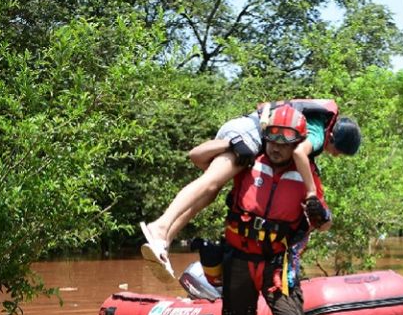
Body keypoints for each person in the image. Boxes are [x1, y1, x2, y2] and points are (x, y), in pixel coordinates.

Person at [139, 99, 360, 282]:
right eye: (338, 151)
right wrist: (311, 192)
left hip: (242, 129)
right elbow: (300, 153)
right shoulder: (319, 131)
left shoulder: (317, 122)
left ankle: (164, 240)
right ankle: (160, 226)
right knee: (210, 182)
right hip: (247, 133)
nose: (336, 155)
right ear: (334, 139)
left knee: (210, 192)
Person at [215, 104, 331, 315]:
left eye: (286, 143)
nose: (277, 148)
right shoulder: (247, 162)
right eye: (272, 141)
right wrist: (229, 145)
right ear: (264, 138)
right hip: (238, 258)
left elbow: (323, 222)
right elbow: (202, 166)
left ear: (298, 144)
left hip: (278, 265)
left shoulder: (308, 175)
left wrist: (321, 215)